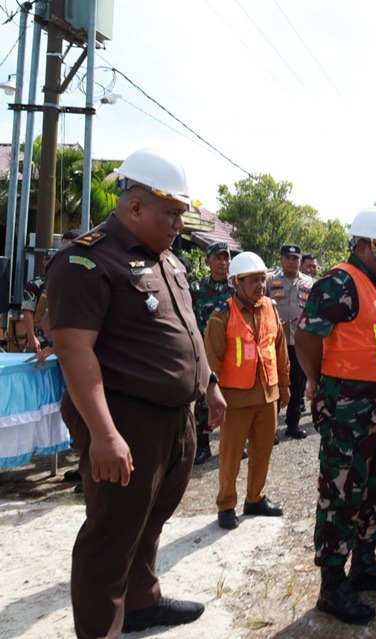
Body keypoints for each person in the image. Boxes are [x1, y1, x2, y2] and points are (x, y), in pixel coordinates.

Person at [46, 148, 227, 638]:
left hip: (175, 419)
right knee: (111, 536)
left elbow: (187, 330)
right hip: (125, 420)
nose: (177, 223)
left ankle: (143, 604)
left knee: (149, 521)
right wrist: (104, 435)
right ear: (135, 207)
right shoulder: (87, 259)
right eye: (170, 212)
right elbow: (73, 350)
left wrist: (209, 385)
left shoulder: (166, 260)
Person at [296, 206, 376, 624]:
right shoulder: (339, 282)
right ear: (363, 244)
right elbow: (306, 334)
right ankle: (332, 584)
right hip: (349, 409)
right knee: (341, 493)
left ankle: (364, 563)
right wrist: (317, 382)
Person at [205, 251, 290, 530]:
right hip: (235, 399)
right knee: (230, 455)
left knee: (263, 451)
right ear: (236, 283)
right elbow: (211, 362)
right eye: (253, 280)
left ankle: (255, 498)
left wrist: (285, 386)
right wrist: (212, 394)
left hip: (268, 394)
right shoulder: (222, 315)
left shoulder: (270, 307)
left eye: (262, 279)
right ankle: (226, 505)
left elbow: (279, 350)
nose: (260, 285)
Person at [190, 241, 234, 464]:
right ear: (208, 261)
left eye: (226, 258)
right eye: (218, 258)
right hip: (206, 352)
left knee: (232, 396)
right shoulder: (196, 289)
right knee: (203, 399)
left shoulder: (235, 288)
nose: (223, 262)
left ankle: (233, 442)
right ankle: (203, 445)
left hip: (232, 351)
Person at [267, 245, 314, 439]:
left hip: (298, 343)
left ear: (300, 260)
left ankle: (293, 425)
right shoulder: (271, 281)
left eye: (295, 258)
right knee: (275, 385)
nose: (292, 261)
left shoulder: (309, 283)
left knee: (296, 385)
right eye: (288, 258)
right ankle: (271, 428)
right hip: (276, 342)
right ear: (281, 259)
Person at [20, 248, 58, 353]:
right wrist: (32, 338)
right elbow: (28, 312)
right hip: (39, 339)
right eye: (48, 259)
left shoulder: (65, 282)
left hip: (59, 339)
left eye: (54, 259)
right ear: (44, 261)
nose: (51, 262)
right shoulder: (35, 284)